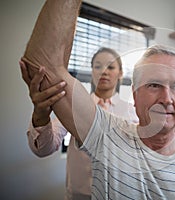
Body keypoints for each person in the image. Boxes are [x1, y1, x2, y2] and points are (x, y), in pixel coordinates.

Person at [21, 0, 175, 198]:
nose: (167, 98)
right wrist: (41, 115)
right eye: (154, 85)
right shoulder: (110, 132)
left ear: (120, 74)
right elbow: (45, 68)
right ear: (135, 94)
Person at [20, 47, 138, 200]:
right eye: (98, 66)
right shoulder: (74, 106)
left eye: (110, 66)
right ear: (92, 71)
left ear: (121, 73)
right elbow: (43, 149)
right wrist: (41, 116)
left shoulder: (132, 112)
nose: (104, 71)